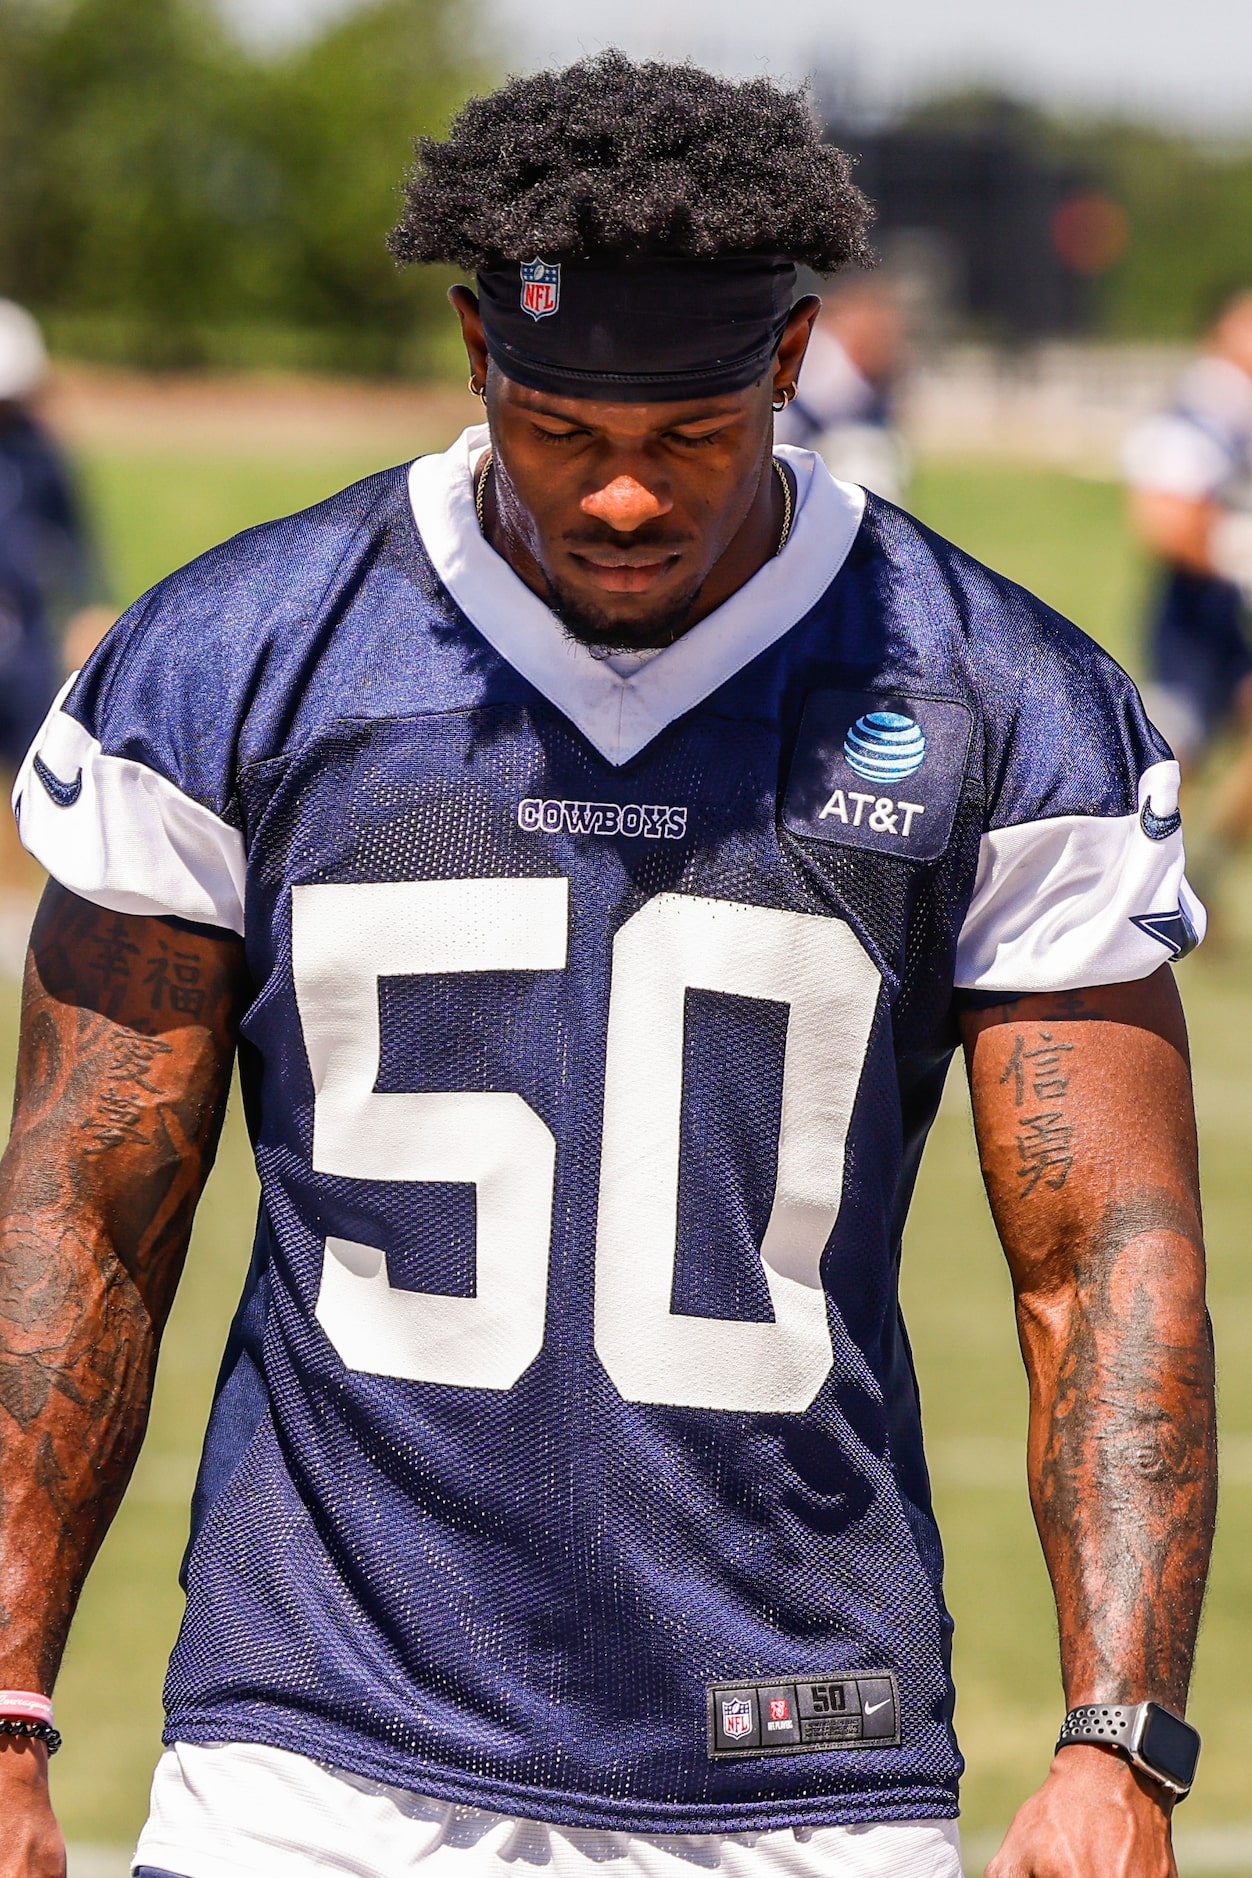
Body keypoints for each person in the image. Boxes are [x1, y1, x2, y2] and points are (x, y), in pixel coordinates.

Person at [0, 53, 1215, 1878]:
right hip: (315, 1750)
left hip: (802, 1747)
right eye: (566, 433)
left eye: (689, 441)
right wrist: (9, 1704)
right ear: (481, 353)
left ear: (790, 363)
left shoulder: (996, 696)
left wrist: (1119, 1738)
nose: (625, 498)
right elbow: (81, 1211)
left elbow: (1105, 1254)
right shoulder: (240, 658)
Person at [1125, 289, 1252, 887]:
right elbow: (1164, 522)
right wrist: (1235, 553)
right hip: (1197, 620)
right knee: (1170, 765)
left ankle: (1195, 874)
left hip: (1231, 617)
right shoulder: (1199, 412)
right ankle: (1140, 882)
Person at [772, 276, 908, 501]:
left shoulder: (871, 376)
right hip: (788, 465)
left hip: (815, 465)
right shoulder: (821, 360)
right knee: (860, 461)